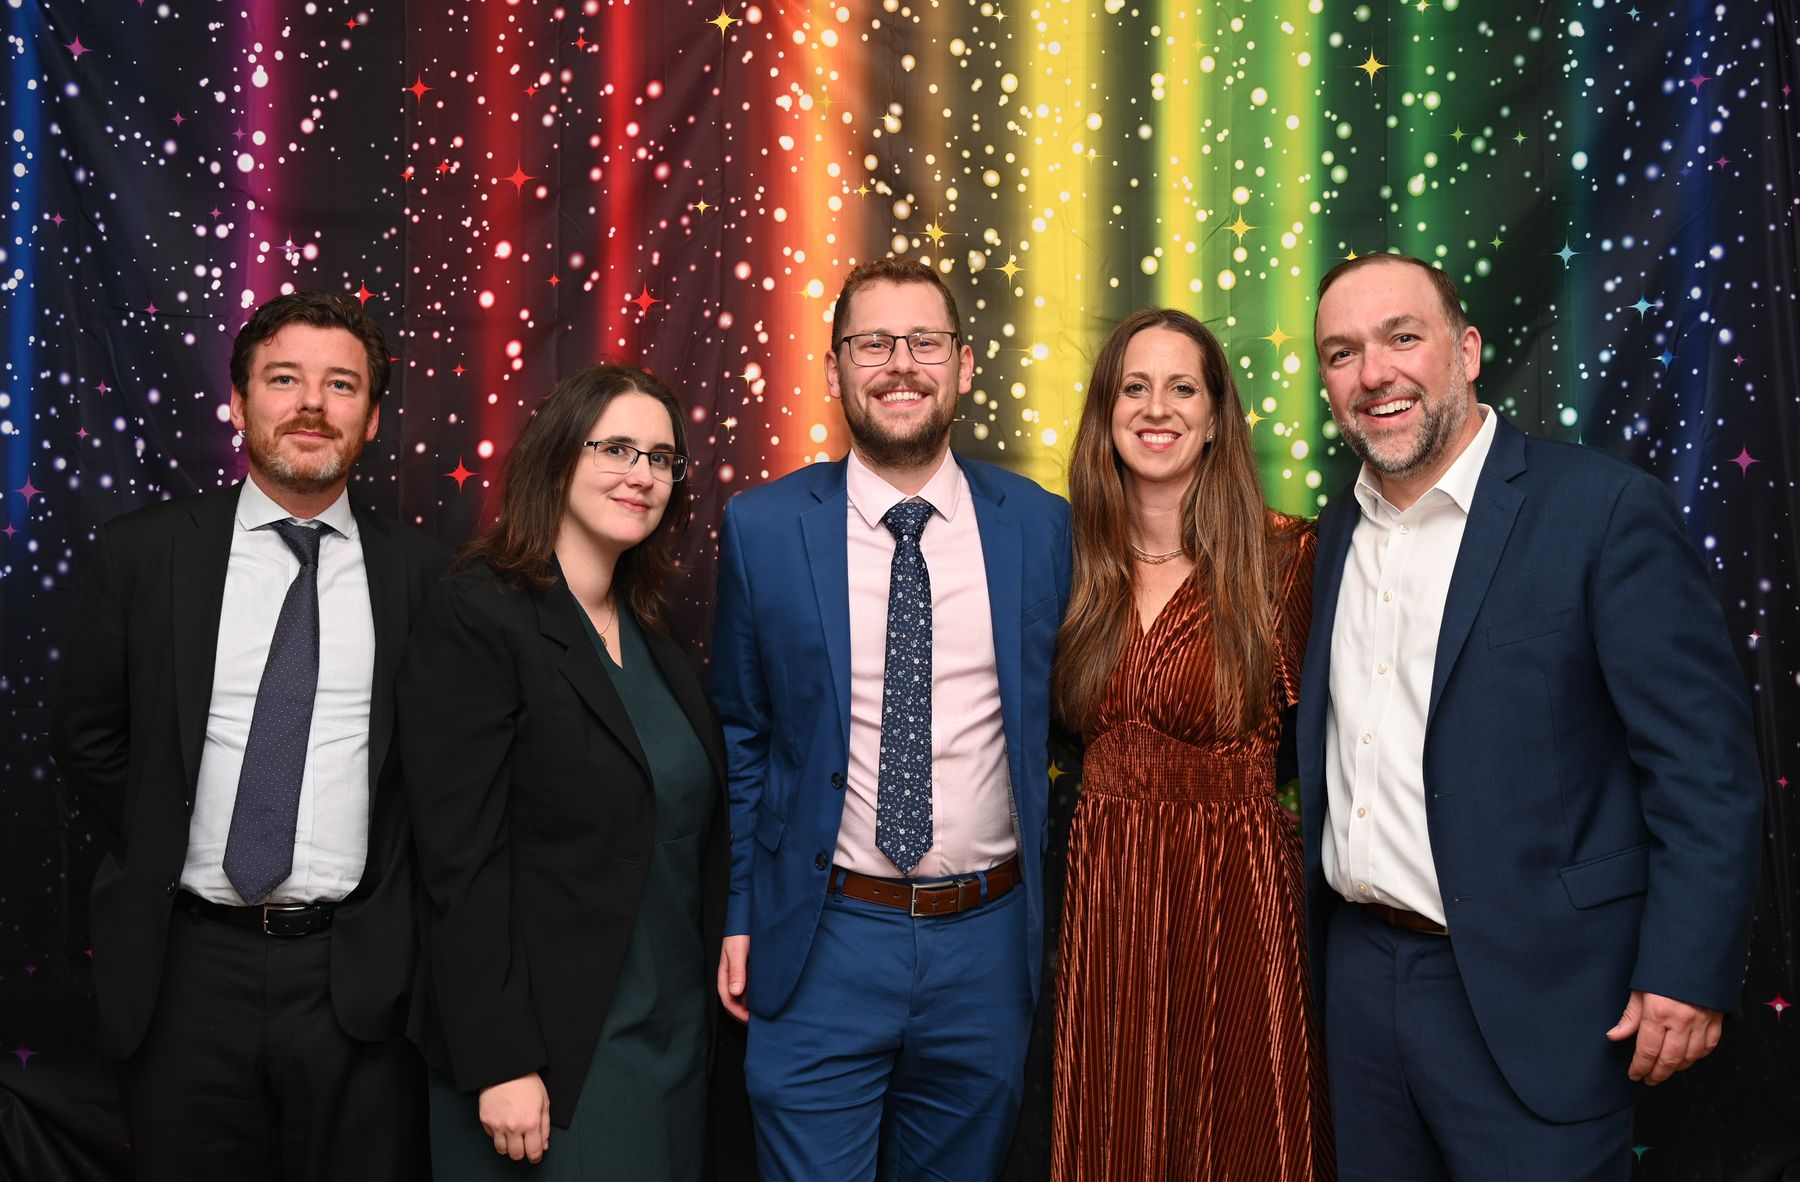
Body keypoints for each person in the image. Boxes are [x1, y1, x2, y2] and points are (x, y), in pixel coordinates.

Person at [1299, 252, 1762, 1179]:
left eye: (1402, 337)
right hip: (1360, 985)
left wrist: (1686, 967)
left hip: (1545, 992)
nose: (1375, 372)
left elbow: (1705, 768)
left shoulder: (1601, 511)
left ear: (1467, 351)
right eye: (1343, 353)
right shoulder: (1334, 533)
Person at [49, 290, 448, 1180]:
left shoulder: (427, 575)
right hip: (183, 970)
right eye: (284, 379)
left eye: (341, 385)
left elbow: (442, 774)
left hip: (359, 982)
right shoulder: (144, 554)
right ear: (238, 403)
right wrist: (163, 835)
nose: (311, 404)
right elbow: (87, 737)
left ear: (372, 419)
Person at [709, 257, 1072, 1181]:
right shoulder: (762, 528)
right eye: (872, 342)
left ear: (965, 365)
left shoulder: (1040, 526)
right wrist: (742, 910)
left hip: (987, 941)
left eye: (925, 342)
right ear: (834, 369)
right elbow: (744, 737)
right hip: (822, 934)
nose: (900, 363)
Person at [398, 365, 726, 1178]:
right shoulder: (479, 612)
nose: (642, 474)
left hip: (675, 1035)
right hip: (551, 1051)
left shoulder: (649, 634)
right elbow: (459, 862)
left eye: (661, 458)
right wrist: (499, 1058)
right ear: (556, 458)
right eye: (616, 449)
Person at [1048, 308, 1330, 1179]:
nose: (1156, 408)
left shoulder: (1285, 558)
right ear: (1106, 413)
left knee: (1235, 1129)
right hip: (1104, 889)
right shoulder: (1065, 558)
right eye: (1134, 387)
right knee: (1116, 1125)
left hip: (1234, 888)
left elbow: (1326, 742)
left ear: (1214, 419)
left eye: (1182, 388)